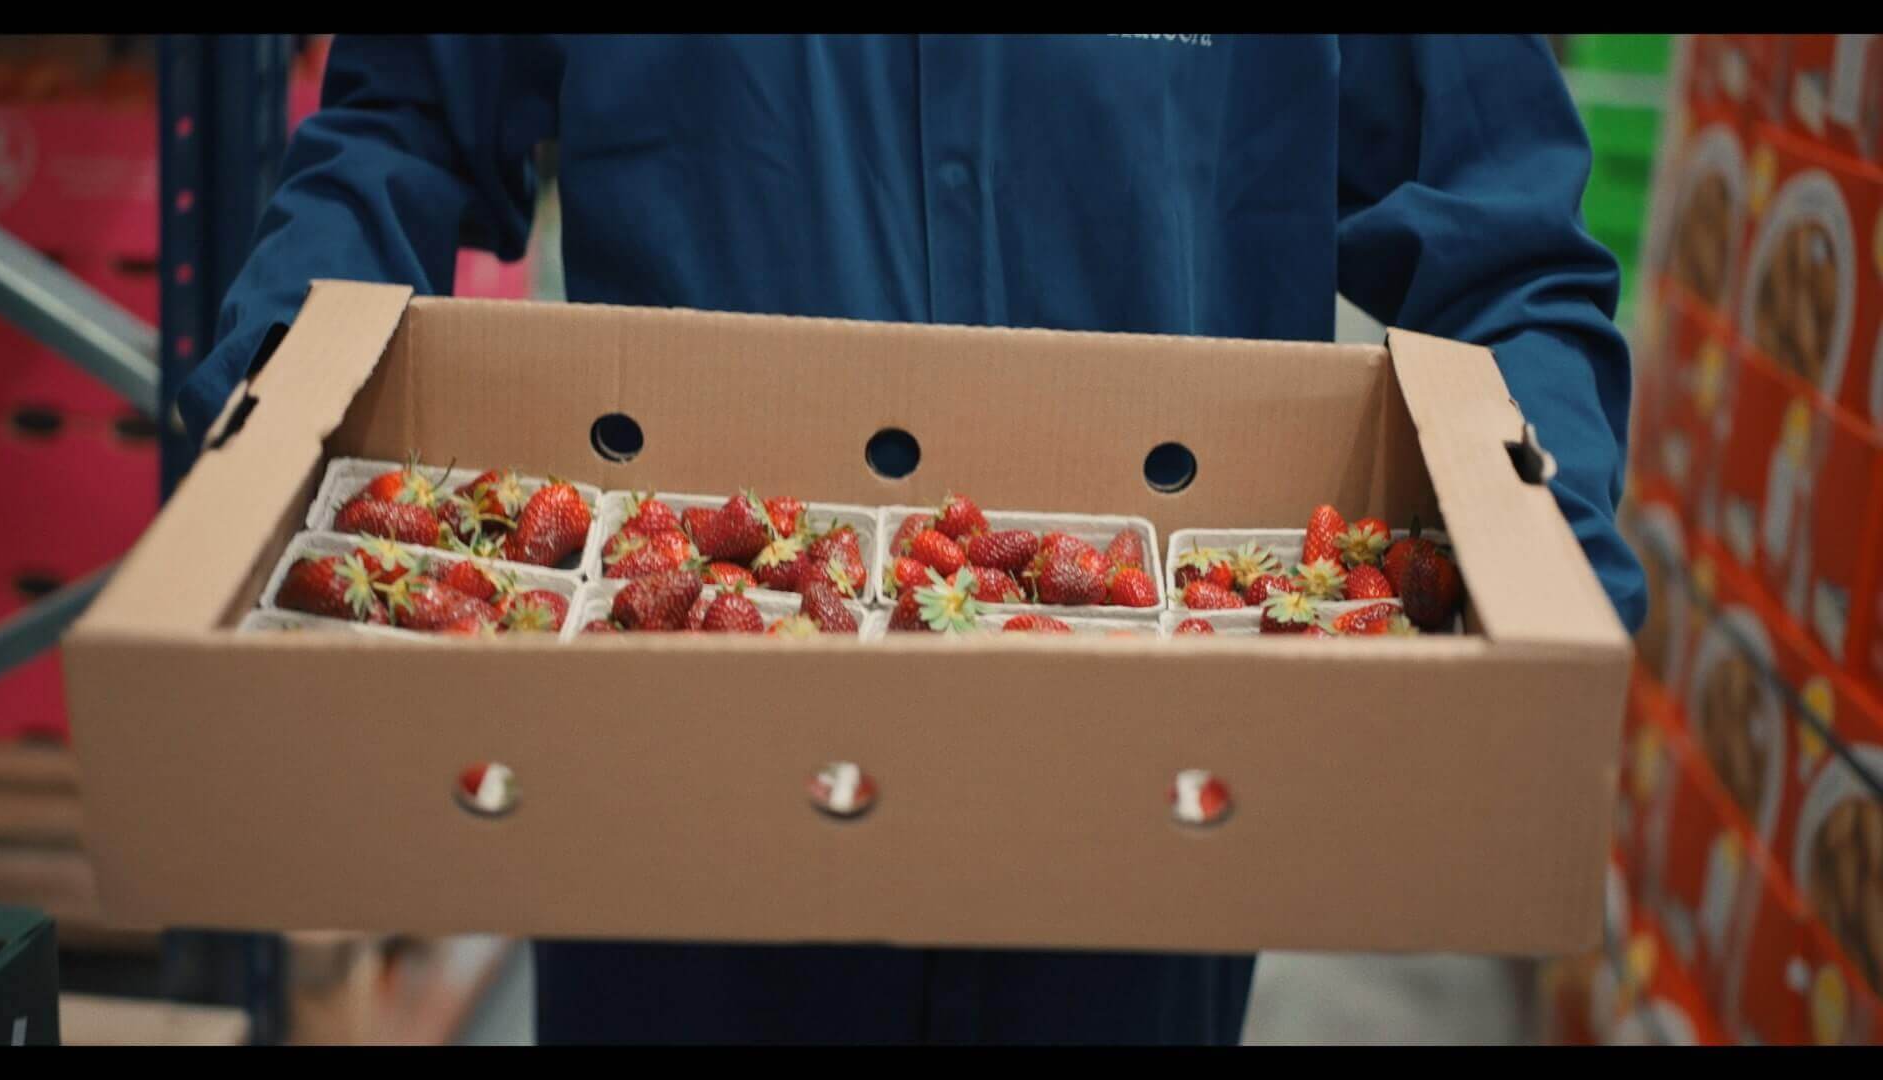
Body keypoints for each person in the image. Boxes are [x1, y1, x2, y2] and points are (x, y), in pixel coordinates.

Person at [177, 34, 1648, 1045]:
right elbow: (403, 127)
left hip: (1142, 818)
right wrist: (274, 405)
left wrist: (1542, 545)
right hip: (683, 795)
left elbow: (1505, 242)